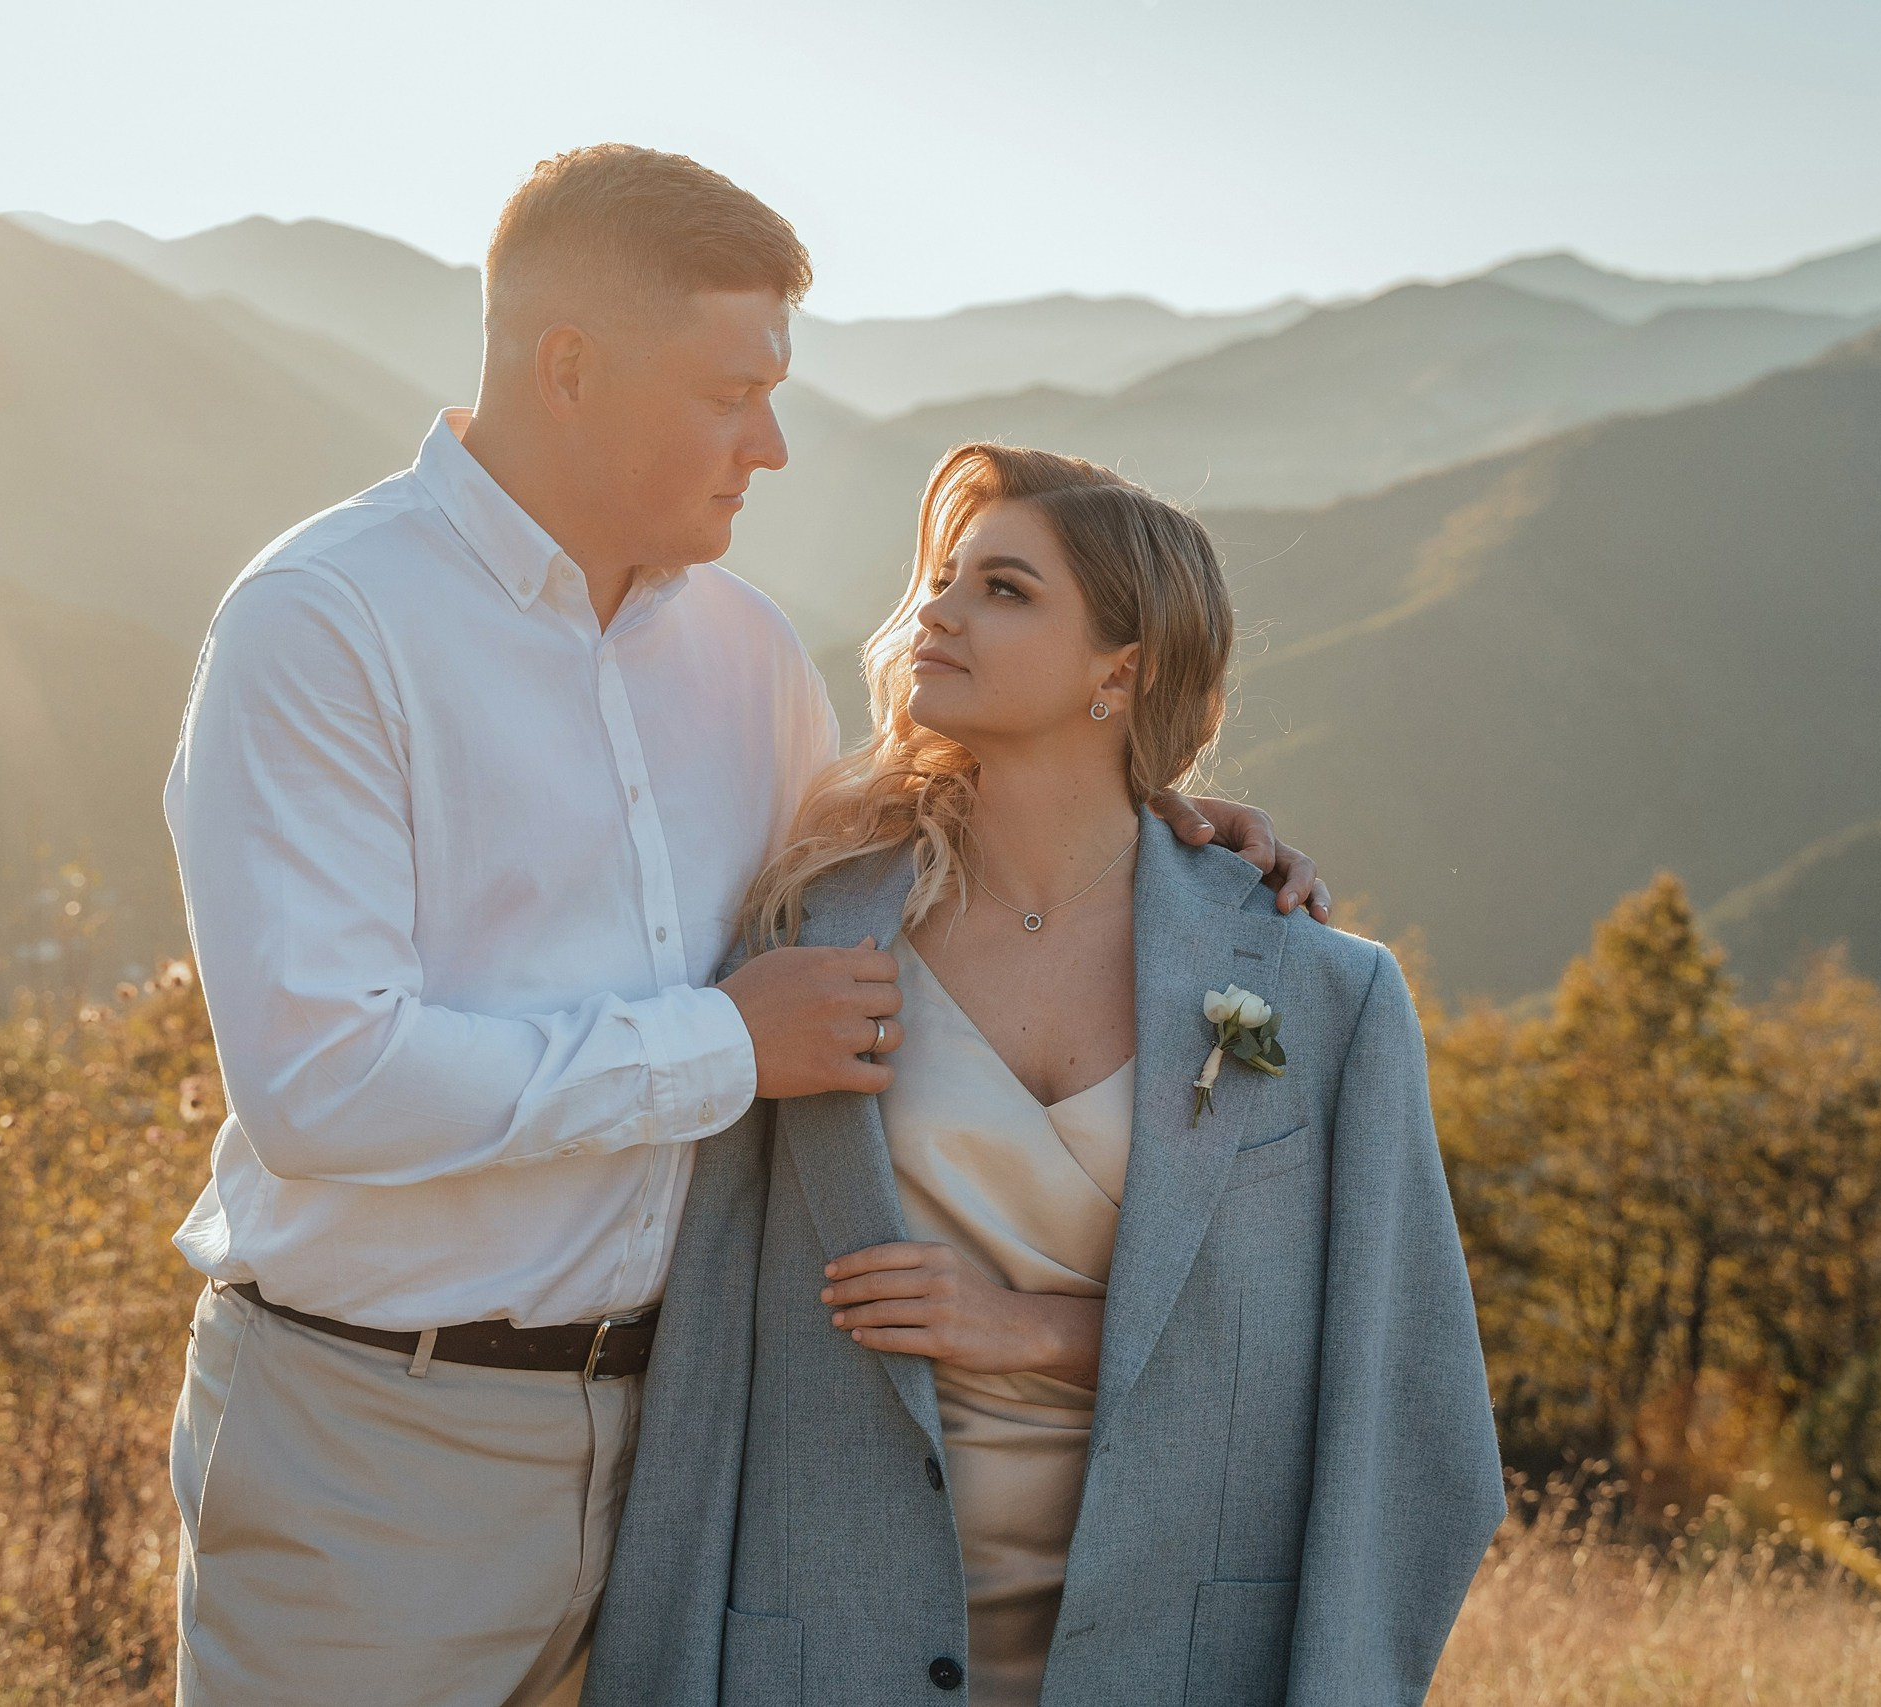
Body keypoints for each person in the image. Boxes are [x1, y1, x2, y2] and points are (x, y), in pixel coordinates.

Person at [162, 148, 1328, 1707]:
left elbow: (907, 864)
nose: (772, 446)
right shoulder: (325, 621)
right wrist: (724, 1044)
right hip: (383, 1446)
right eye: (732, 393)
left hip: (699, 1450)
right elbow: (320, 1086)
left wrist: (1170, 829)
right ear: (566, 368)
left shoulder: (743, 648)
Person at [585, 444, 1502, 1707]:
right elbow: (706, 1370)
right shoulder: (805, 942)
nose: (938, 613)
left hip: (1176, 1650)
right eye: (946, 579)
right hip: (826, 1640)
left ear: (1119, 670)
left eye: (1004, 590)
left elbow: (1400, 1408)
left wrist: (1028, 1330)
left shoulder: (1320, 995)